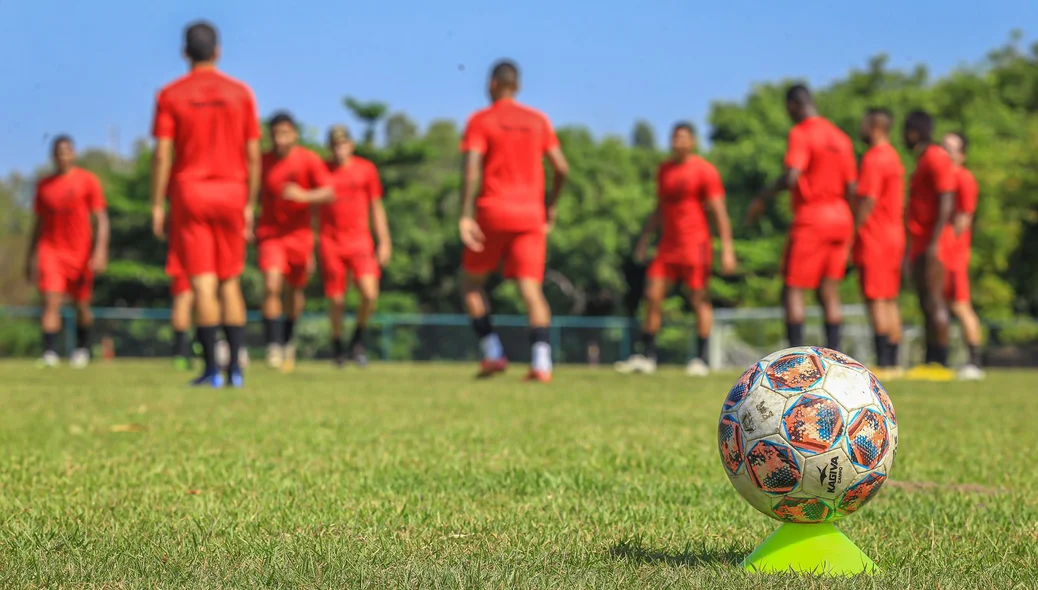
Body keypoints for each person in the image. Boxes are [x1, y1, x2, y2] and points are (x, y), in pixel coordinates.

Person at [150, 20, 261, 388]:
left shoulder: (170, 94)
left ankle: (213, 370)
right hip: (232, 192)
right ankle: (238, 371)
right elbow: (253, 154)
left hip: (190, 194)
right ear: (218, 51)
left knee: (202, 284)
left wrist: (156, 203)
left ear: (184, 53)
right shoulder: (241, 93)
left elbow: (163, 155)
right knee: (230, 281)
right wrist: (250, 203)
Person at [459, 59, 569, 383]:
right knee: (531, 290)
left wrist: (465, 214)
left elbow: (471, 169)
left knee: (470, 283)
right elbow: (562, 168)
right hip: (531, 216)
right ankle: (542, 363)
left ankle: (493, 353)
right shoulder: (538, 120)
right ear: (517, 86)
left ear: (492, 84)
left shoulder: (480, 120)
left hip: (492, 212)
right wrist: (550, 205)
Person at [614, 122, 736, 376]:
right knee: (652, 295)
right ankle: (648, 356)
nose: (677, 142)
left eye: (682, 137)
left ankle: (700, 359)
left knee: (698, 299)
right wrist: (644, 239)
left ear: (692, 141)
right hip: (668, 245)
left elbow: (719, 212)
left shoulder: (705, 171)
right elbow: (659, 208)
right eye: (674, 137)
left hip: (696, 245)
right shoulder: (665, 170)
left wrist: (727, 248)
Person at [746, 85, 856, 352]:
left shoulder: (802, 132)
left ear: (794, 105)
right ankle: (835, 356)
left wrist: (764, 195)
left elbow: (793, 176)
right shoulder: (841, 138)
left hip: (813, 216)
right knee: (829, 290)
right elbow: (853, 187)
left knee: (793, 289)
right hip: (841, 217)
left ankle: (792, 356)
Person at [255, 112, 333, 373]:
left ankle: (288, 337)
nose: (280, 138)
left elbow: (329, 192)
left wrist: (304, 195)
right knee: (271, 282)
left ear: (295, 134)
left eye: (285, 133)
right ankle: (273, 345)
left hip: (300, 236)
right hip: (270, 234)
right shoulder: (261, 161)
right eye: (275, 133)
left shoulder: (308, 160)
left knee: (294, 291)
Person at [24, 135, 110, 368]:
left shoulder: (87, 181)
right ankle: (49, 353)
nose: (63, 155)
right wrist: (29, 257)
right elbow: (38, 224)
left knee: (81, 304)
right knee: (51, 301)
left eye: (67, 150)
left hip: (81, 253)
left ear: (73, 153)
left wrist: (100, 250)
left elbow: (101, 219)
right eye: (58, 151)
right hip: (51, 250)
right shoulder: (44, 186)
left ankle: (82, 348)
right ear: (53, 155)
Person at [311, 125, 391, 368]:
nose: (339, 149)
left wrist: (384, 240)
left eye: (343, 144)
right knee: (336, 300)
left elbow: (376, 207)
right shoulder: (321, 171)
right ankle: (337, 345)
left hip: (360, 241)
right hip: (330, 241)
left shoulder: (366, 169)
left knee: (369, 293)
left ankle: (357, 340)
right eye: (335, 145)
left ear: (351, 145)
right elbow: (312, 211)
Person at [903, 110, 957, 381]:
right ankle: (930, 360)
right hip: (922, 242)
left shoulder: (936, 156)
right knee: (926, 302)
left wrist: (935, 242)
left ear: (914, 132)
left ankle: (942, 361)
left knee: (936, 301)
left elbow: (947, 198)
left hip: (935, 242)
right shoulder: (923, 159)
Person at [853, 108, 905, 376]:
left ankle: (884, 363)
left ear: (874, 127)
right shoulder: (894, 157)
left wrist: (855, 228)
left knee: (876, 298)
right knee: (889, 298)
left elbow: (869, 199)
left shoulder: (874, 158)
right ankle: (894, 360)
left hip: (876, 236)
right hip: (895, 235)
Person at [942, 132, 984, 380]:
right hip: (942, 253)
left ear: (962, 154)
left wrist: (949, 246)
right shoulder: (944, 178)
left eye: (951, 148)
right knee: (945, 306)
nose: (945, 152)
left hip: (954, 254)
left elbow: (963, 218)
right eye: (943, 146)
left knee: (960, 304)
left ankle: (975, 362)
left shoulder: (964, 179)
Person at [166, 239, 195, 370]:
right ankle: (203, 347)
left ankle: (181, 353)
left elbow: (159, 228)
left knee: (183, 298)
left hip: (184, 246)